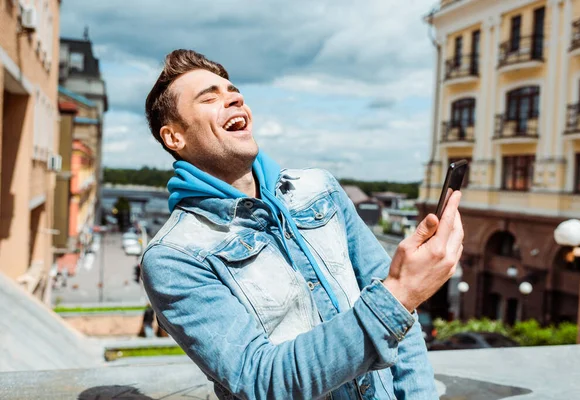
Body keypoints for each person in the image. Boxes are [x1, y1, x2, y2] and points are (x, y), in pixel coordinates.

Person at [141, 49, 464, 400]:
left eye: (233, 91)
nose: (233, 98)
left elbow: (404, 325)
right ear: (175, 137)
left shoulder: (320, 189)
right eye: (210, 97)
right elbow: (261, 380)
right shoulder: (173, 258)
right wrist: (401, 293)